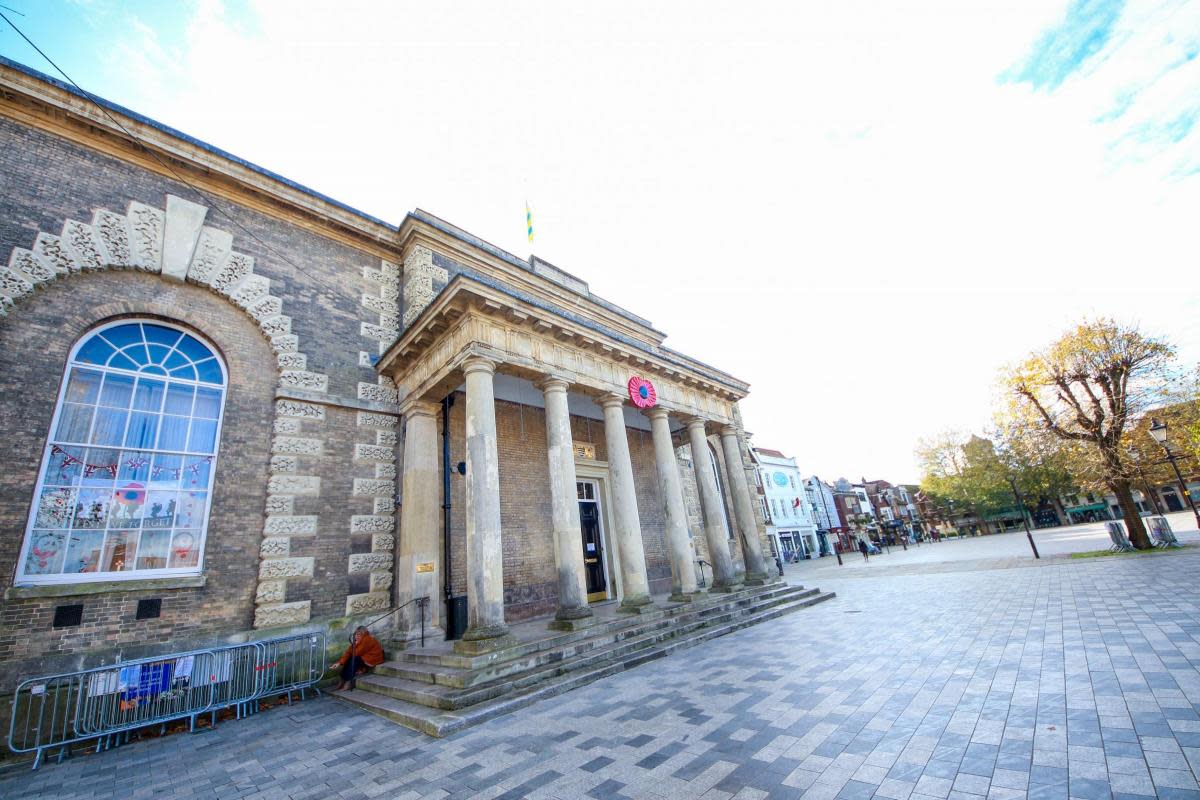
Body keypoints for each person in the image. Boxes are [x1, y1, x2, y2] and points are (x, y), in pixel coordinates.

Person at [331, 626, 385, 691]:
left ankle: (348, 682)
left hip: (373, 659)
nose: (356, 636)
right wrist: (339, 663)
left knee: (354, 659)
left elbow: (356, 653)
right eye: (356, 634)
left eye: (359, 634)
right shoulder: (358, 641)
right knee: (349, 659)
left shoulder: (367, 639)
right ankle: (342, 680)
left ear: (364, 634)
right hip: (365, 656)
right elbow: (348, 652)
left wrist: (355, 644)